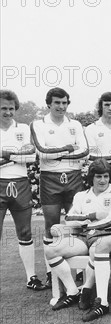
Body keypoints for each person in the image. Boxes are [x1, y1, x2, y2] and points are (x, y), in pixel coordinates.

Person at [46, 159, 111, 312]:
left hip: (105, 236)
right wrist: (93, 216)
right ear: (91, 177)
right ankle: (73, 291)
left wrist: (83, 221)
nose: (102, 180)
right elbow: (68, 219)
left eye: (106, 176)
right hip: (83, 236)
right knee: (51, 250)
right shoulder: (81, 195)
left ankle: (86, 290)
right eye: (98, 176)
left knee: (96, 251)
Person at [31, 87, 89, 289]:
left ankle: (81, 271)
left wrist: (60, 154)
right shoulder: (39, 124)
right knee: (51, 226)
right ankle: (51, 273)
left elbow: (85, 151)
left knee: (78, 223)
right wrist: (66, 148)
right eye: (57, 102)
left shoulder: (75, 124)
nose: (61, 106)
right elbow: (42, 152)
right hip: (50, 178)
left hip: (73, 176)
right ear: (49, 103)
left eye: (64, 102)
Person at [0, 89, 46, 290]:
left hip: (20, 183)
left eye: (11, 108)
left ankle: (31, 278)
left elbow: (30, 156)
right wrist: (17, 154)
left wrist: (5, 155)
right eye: (3, 108)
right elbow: (23, 154)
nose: (7, 112)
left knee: (25, 231)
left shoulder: (24, 128)